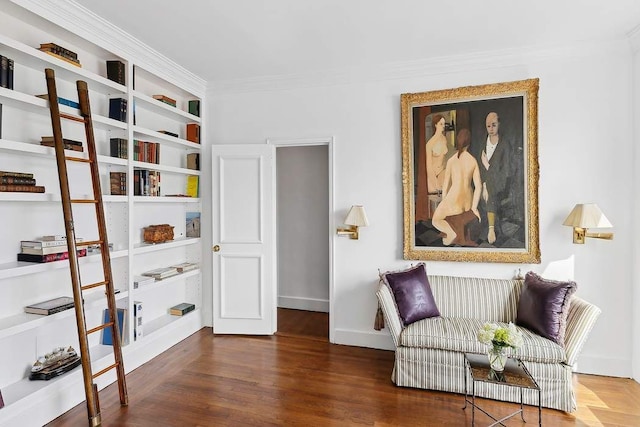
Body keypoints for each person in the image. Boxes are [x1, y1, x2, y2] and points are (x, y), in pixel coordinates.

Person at [432, 128, 481, 246]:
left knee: (435, 220)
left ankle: (451, 233)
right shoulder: (473, 161)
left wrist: (444, 201)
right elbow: (478, 187)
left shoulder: (451, 161)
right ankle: (453, 232)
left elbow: (446, 185)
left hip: (455, 202)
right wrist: (474, 207)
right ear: (469, 143)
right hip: (467, 202)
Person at [477, 112, 512, 244]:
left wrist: (488, 166)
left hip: (500, 184)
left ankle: (491, 229)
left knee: (490, 194)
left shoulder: (505, 144)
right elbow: (480, 167)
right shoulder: (482, 141)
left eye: (494, 125)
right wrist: (483, 184)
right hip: (484, 181)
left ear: (499, 125)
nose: (491, 129)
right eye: (488, 126)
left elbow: (506, 171)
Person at [425, 114, 449, 196]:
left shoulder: (444, 139)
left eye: (444, 124)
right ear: (435, 125)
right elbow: (429, 168)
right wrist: (436, 184)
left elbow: (444, 159)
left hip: (442, 173)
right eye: (441, 124)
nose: (443, 126)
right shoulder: (430, 144)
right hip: (433, 177)